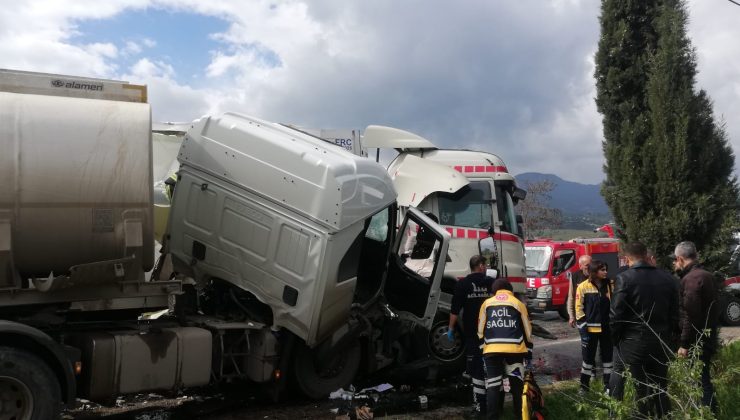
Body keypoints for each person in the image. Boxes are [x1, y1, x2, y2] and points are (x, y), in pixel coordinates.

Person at [610, 242, 679, 417]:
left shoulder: (625, 278)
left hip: (634, 342)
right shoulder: (668, 278)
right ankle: (664, 415)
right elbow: (675, 314)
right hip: (661, 340)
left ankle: (642, 416)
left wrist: (617, 340)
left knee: (641, 390)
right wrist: (671, 339)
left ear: (627, 258)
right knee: (661, 388)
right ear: (646, 255)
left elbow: (615, 315)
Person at [673, 241, 720, 413]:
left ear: (680, 258)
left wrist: (684, 344)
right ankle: (707, 412)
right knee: (703, 378)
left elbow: (689, 315)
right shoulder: (707, 275)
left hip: (696, 340)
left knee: (701, 381)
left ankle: (707, 413)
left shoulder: (691, 279)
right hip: (708, 335)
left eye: (675, 260)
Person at [478, 278, 533, 420]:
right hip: (514, 349)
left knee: (493, 384)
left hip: (491, 350)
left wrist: (482, 347)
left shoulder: (486, 304)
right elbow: (528, 330)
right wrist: (529, 350)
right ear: (510, 290)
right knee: (517, 386)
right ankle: (519, 415)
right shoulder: (518, 303)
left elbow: (480, 329)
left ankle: (492, 417)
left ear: (494, 290)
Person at [448, 255, 496, 415]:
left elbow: (455, 310)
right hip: (492, 333)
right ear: (481, 266)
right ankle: (494, 406)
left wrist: (450, 329)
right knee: (492, 370)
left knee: (476, 371)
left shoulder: (463, 284)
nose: (486, 267)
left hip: (473, 334)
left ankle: (480, 407)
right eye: (485, 264)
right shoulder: (491, 283)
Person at [575, 260, 613, 393]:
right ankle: (584, 387)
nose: (605, 272)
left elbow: (613, 305)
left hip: (606, 328)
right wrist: (583, 328)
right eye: (602, 270)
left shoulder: (609, 285)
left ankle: (608, 386)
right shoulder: (583, 287)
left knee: (608, 358)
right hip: (590, 330)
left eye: (606, 269)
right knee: (588, 360)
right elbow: (578, 309)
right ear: (594, 272)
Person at [567, 255, 592, 328]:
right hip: (581, 315)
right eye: (587, 265)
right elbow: (571, 297)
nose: (589, 268)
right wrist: (571, 316)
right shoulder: (575, 276)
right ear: (580, 266)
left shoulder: (596, 276)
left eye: (591, 265)